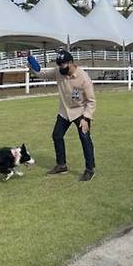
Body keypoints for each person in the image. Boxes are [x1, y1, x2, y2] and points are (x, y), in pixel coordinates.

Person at [29, 49, 96, 181]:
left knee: (85, 139)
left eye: (63, 64)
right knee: (57, 135)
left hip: (81, 112)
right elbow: (42, 73)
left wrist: (86, 118)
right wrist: (32, 67)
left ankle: (90, 169)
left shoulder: (84, 78)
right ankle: (61, 165)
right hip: (65, 111)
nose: (60, 67)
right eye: (58, 64)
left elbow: (91, 101)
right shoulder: (59, 71)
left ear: (71, 62)